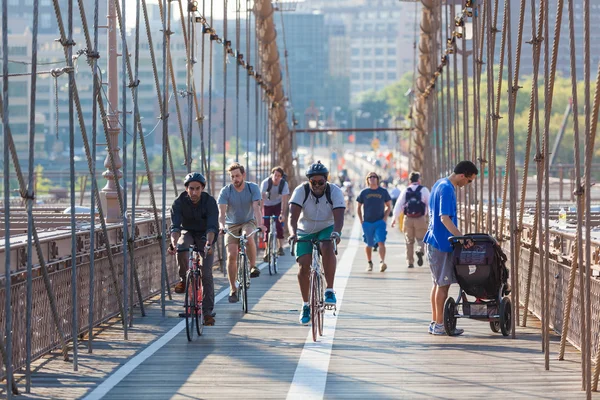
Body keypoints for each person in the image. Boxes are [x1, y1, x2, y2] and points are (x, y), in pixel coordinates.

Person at [424, 161, 478, 336]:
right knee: (443, 285)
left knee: (437, 283)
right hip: (442, 243)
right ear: (463, 175)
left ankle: (435, 322)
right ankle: (440, 325)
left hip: (433, 241)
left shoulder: (439, 183)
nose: (468, 184)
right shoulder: (447, 188)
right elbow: (444, 218)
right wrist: (461, 238)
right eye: (469, 181)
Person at [288, 161, 345, 325]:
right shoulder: (301, 191)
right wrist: (292, 234)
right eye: (314, 182)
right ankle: (306, 305)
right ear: (309, 181)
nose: (318, 185)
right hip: (305, 229)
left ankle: (329, 290)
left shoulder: (334, 191)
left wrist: (337, 232)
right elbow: (292, 217)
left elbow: (339, 216)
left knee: (327, 245)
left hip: (327, 226)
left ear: (326, 181)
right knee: (303, 266)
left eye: (321, 182)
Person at [168, 172, 218, 326]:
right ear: (186, 189)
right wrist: (173, 243)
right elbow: (175, 227)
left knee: (207, 274)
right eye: (191, 189)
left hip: (205, 235)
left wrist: (208, 244)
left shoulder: (209, 202)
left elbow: (212, 226)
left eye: (197, 189)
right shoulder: (178, 202)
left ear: (202, 188)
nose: (194, 192)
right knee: (182, 247)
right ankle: (184, 278)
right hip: (188, 232)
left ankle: (207, 313)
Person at [218, 162, 266, 303]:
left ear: (243, 175)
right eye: (232, 176)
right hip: (231, 224)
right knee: (231, 255)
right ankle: (233, 288)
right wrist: (221, 225)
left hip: (248, 221)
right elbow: (221, 212)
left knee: (248, 236)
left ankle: (252, 266)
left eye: (237, 176)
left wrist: (261, 224)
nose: (235, 179)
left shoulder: (253, 188)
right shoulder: (226, 191)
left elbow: (257, 208)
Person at [392, 171, 430, 269]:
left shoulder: (406, 190)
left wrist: (394, 219)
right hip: (420, 218)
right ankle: (420, 251)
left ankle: (410, 262)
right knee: (421, 239)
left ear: (410, 180)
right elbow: (430, 204)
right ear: (418, 180)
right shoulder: (424, 190)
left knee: (409, 241)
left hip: (408, 219)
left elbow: (399, 205)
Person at [357, 172, 392, 272]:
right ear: (367, 180)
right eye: (370, 177)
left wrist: (385, 218)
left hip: (379, 221)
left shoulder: (383, 192)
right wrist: (361, 220)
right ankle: (369, 262)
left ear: (377, 179)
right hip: (367, 222)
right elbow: (358, 207)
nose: (372, 178)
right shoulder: (364, 192)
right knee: (369, 244)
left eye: (374, 177)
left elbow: (388, 206)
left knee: (381, 241)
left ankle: (382, 262)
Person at [260, 166, 290, 260]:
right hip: (267, 205)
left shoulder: (283, 184)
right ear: (272, 174)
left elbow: (284, 200)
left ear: (281, 177)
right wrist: (261, 213)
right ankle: (266, 251)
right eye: (275, 175)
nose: (276, 177)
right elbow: (261, 198)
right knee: (266, 227)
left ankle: (280, 247)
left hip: (278, 204)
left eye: (279, 176)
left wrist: (282, 213)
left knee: (278, 224)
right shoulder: (266, 182)